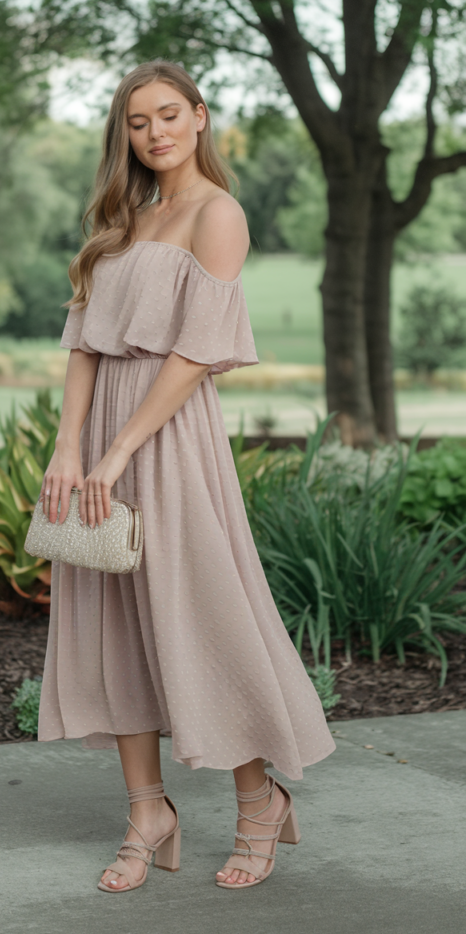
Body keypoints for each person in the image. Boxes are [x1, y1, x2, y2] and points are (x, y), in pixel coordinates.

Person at [37, 60, 335, 893]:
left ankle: (259, 800)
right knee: (113, 618)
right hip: (100, 436)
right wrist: (71, 447)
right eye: (138, 122)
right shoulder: (125, 217)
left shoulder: (218, 214)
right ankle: (148, 813)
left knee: (200, 613)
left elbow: (198, 351)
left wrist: (122, 448)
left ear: (200, 117)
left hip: (165, 436)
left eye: (169, 114)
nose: (155, 132)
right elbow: (86, 343)